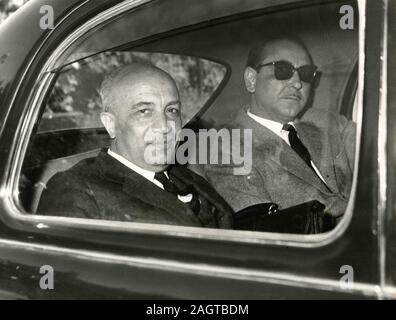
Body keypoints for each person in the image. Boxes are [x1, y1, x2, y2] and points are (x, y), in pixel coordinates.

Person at [37, 63, 233, 229]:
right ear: (111, 124)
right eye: (144, 111)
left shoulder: (189, 179)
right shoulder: (77, 190)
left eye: (172, 110)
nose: (165, 126)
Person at [204, 36, 356, 221]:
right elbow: (264, 230)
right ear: (251, 79)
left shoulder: (326, 121)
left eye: (306, 73)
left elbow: (377, 153)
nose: (298, 83)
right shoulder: (224, 148)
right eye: (283, 70)